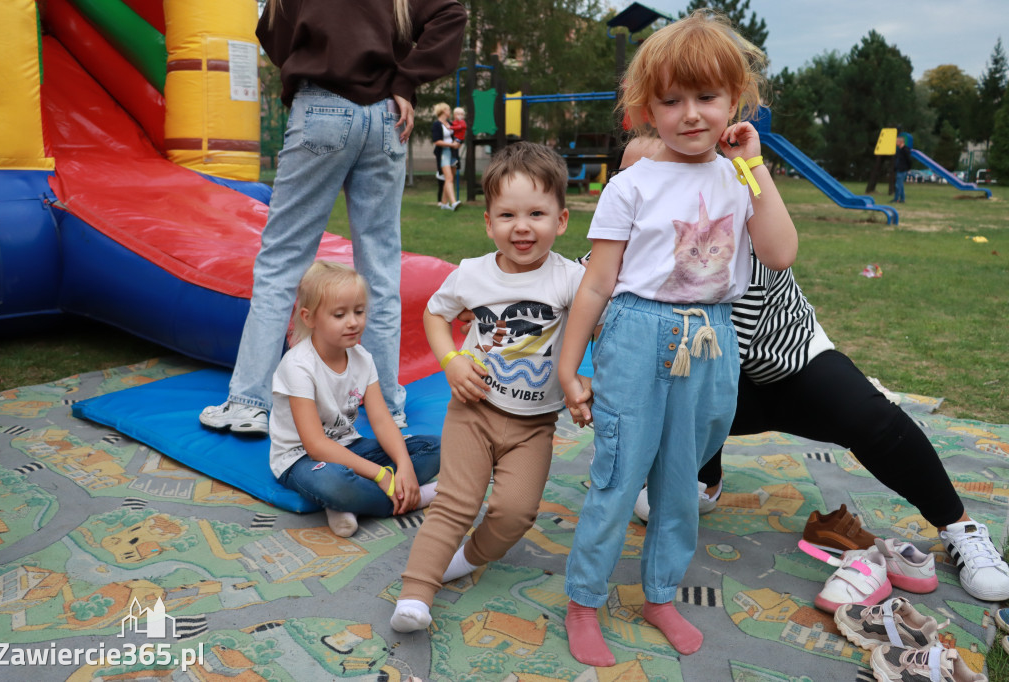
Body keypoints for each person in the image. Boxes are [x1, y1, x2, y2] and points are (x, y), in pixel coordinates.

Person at [622, 137, 1009, 604]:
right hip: (714, 378)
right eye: (631, 182)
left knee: (870, 418)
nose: (645, 193)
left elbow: (721, 347)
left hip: (789, 363)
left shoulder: (734, 230)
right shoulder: (626, 240)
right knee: (673, 394)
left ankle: (959, 526)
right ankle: (705, 480)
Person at [557, 11, 798, 667]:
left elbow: (779, 253)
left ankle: (660, 594)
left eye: (707, 98)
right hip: (637, 333)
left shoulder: (740, 180)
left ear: (735, 103)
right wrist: (568, 363)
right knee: (618, 474)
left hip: (712, 341)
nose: (691, 114)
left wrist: (756, 170)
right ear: (646, 108)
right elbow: (597, 282)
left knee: (680, 481)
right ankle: (584, 601)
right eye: (672, 100)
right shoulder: (630, 186)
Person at [199, 0, 467, 435]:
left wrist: (317, 53)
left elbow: (273, 33)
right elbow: (450, 14)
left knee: (282, 262)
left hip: (323, 107)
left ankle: (249, 401)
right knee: (380, 268)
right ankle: (388, 406)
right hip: (386, 117)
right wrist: (403, 77)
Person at [390, 142, 596, 633]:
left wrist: (585, 379)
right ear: (488, 223)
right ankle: (415, 594)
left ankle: (467, 557)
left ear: (562, 220)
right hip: (473, 410)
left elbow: (599, 329)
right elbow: (435, 315)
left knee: (515, 512)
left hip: (534, 424)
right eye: (506, 214)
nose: (521, 227)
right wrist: (452, 360)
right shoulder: (472, 274)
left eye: (536, 213)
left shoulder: (571, 279)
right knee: (457, 502)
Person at [270, 261, 442, 538]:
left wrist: (405, 467)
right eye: (339, 314)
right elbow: (315, 446)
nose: (353, 322)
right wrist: (382, 475)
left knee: (436, 448)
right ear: (309, 317)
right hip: (303, 460)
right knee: (333, 482)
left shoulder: (363, 359)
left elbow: (382, 420)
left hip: (352, 447)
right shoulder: (298, 366)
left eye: (359, 312)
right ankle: (410, 497)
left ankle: (350, 503)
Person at [432, 102, 462, 210]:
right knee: (448, 177)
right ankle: (453, 203)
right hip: (443, 153)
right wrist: (451, 144)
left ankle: (444, 204)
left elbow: (457, 135)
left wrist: (457, 142)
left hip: (453, 153)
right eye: (448, 110)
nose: (450, 112)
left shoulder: (450, 123)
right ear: (444, 111)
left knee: (450, 178)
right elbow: (436, 141)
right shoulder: (436, 125)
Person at [894, 134, 911, 203]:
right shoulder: (899, 150)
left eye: (896, 141)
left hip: (902, 170)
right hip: (898, 169)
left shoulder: (905, 150)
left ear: (901, 142)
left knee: (898, 185)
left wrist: (908, 168)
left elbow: (909, 160)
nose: (895, 143)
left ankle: (896, 199)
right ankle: (902, 199)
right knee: (900, 185)